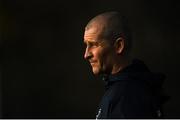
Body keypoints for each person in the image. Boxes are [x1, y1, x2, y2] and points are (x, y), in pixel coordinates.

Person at [83, 11, 168, 119]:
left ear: (119, 46)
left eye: (94, 45)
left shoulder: (127, 98)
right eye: (86, 45)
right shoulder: (131, 88)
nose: (86, 55)